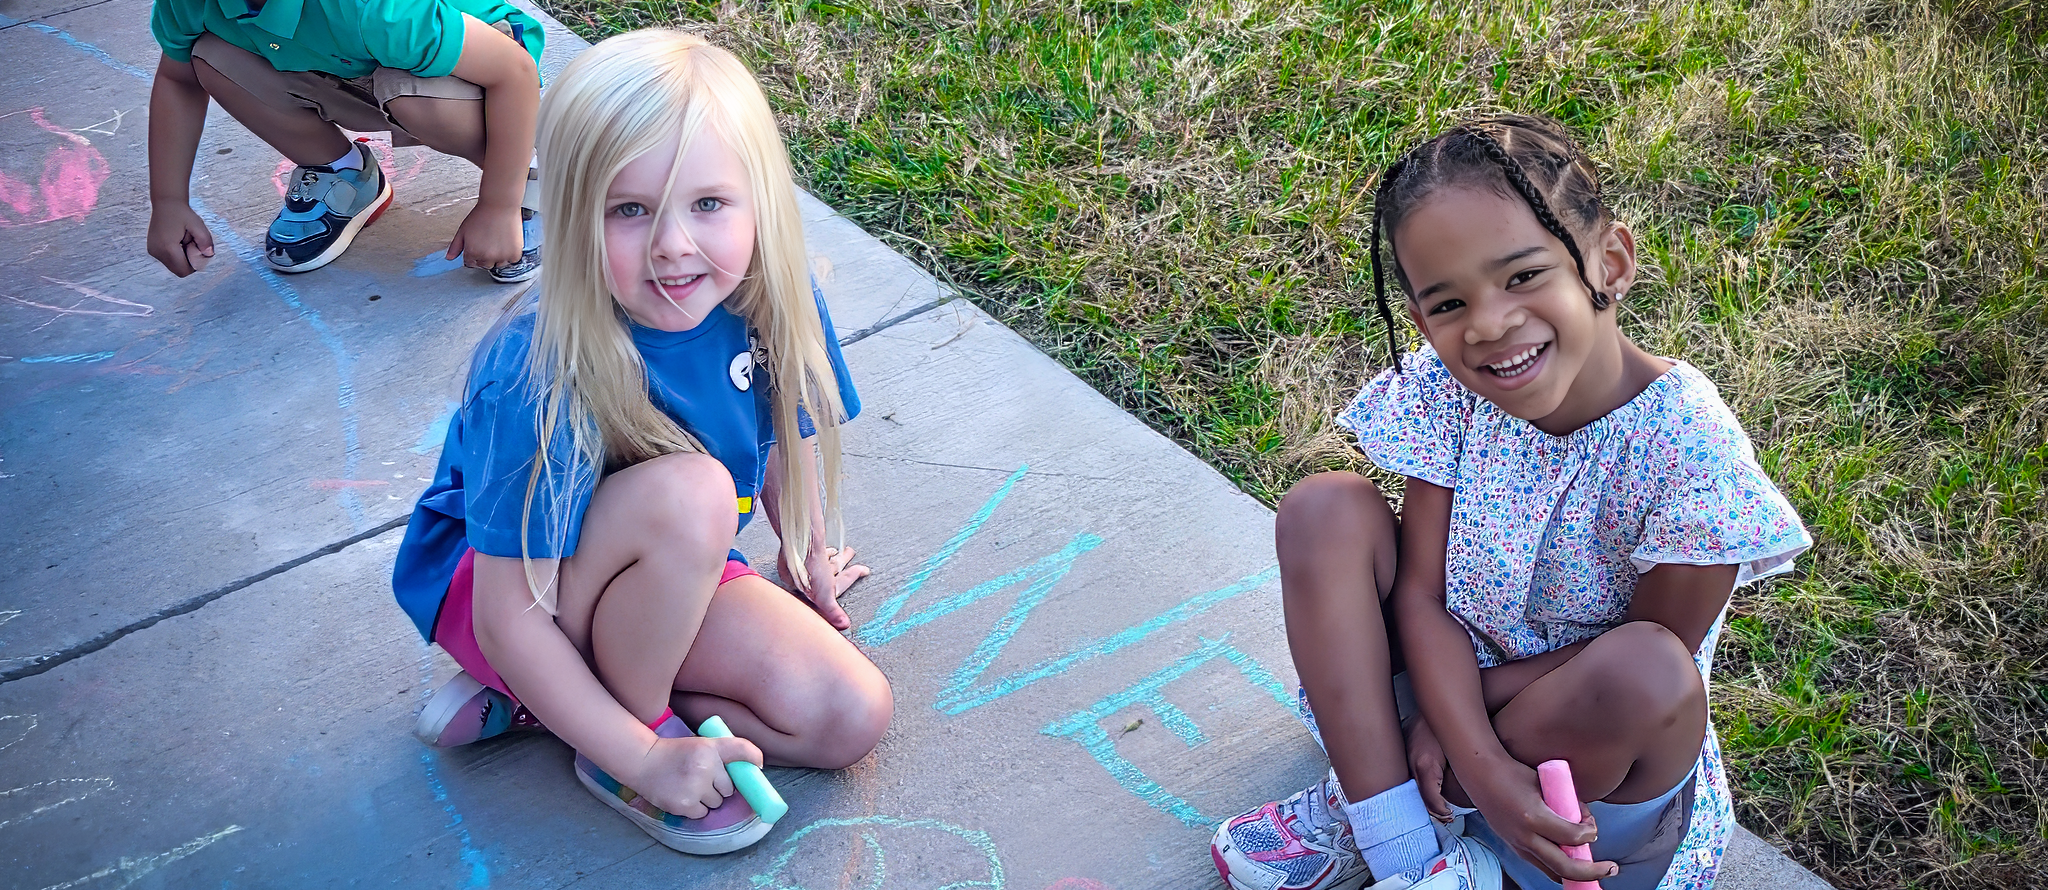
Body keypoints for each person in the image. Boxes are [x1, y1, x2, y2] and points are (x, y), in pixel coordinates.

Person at [1211, 115, 1812, 890]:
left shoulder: (1691, 455)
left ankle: (1430, 809)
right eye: (1448, 305)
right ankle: (1399, 840)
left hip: (1585, 772)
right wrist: (1466, 742)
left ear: (1610, 263)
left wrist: (1469, 748)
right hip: (1450, 692)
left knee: (1646, 670)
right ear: (1420, 319)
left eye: (1523, 276)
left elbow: (1649, 659)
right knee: (1325, 510)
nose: (1490, 324)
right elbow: (1422, 596)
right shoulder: (1448, 392)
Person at [388, 30, 893, 855]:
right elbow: (510, 613)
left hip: (660, 562)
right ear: (573, 216)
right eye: (629, 210)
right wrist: (648, 757)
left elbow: (783, 436)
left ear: (760, 201)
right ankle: (612, 738)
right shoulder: (536, 370)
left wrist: (802, 553)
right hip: (501, 588)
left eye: (709, 204)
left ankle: (555, 700)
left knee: (850, 716)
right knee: (692, 493)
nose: (673, 244)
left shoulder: (771, 295)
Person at [145, 0, 544, 279]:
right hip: (355, 63)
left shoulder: (374, 9)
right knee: (210, 57)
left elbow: (514, 72)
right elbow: (179, 82)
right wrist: (168, 202)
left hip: (481, 72)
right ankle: (342, 173)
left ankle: (529, 177)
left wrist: (499, 206)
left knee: (413, 100)